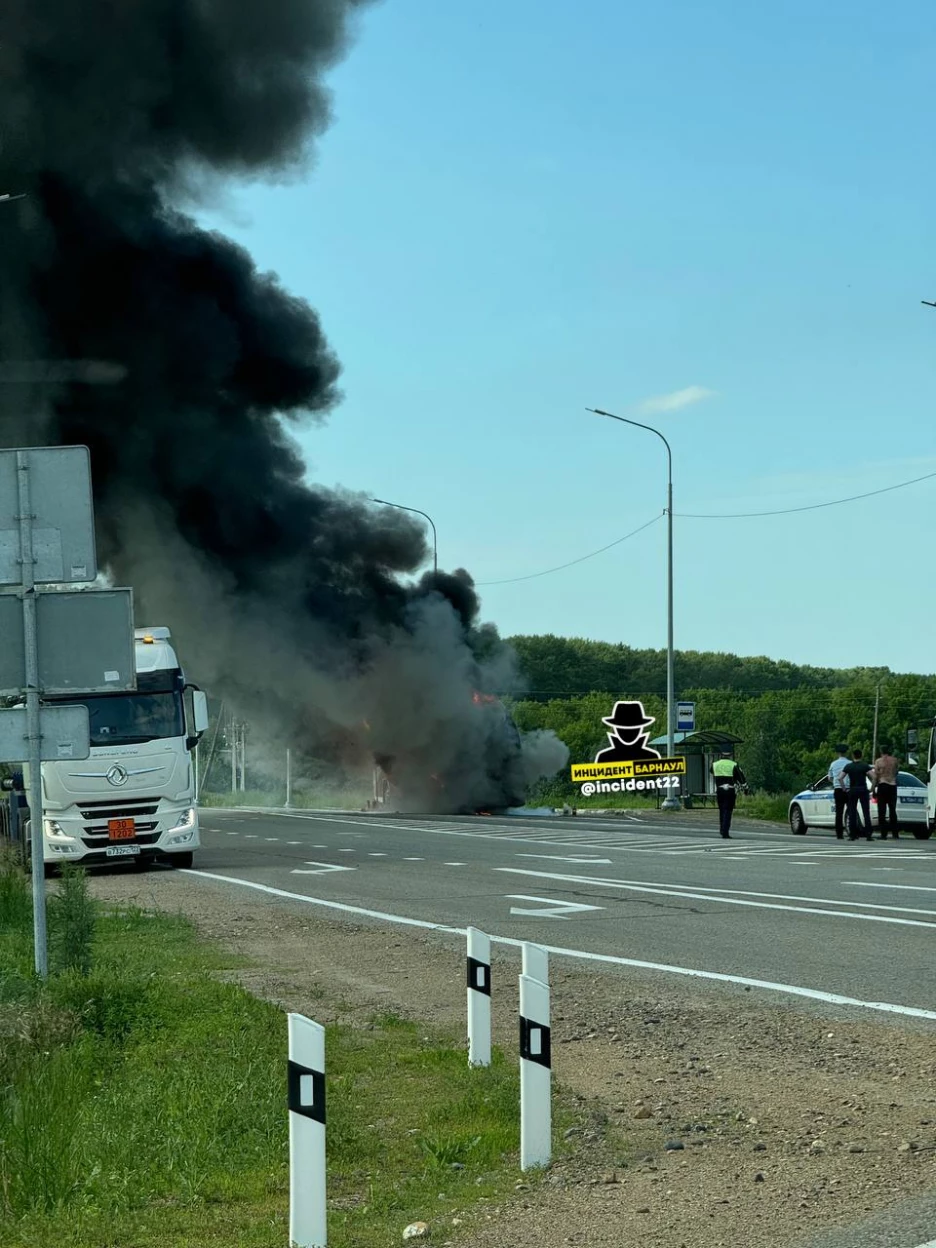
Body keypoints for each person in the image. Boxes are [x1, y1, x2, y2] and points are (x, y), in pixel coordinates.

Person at [711, 749, 748, 839]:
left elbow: (711, 771)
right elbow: (741, 778)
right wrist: (745, 789)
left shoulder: (715, 764)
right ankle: (725, 831)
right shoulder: (734, 765)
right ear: (730, 756)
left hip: (719, 789)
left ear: (721, 755)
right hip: (730, 790)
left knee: (722, 810)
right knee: (728, 810)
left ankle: (721, 829)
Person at [842, 748, 874, 841]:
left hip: (852, 790)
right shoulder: (864, 766)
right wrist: (872, 788)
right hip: (863, 790)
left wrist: (844, 788)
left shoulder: (849, 766)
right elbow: (874, 776)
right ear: (861, 755)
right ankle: (868, 834)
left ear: (853, 756)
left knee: (852, 812)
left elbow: (840, 777)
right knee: (866, 812)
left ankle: (852, 834)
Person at [871, 745, 900, 839]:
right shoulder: (895, 760)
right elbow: (896, 772)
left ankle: (884, 833)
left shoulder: (878, 761)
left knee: (882, 811)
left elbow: (876, 776)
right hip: (892, 785)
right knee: (892, 810)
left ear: (881, 751)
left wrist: (873, 789)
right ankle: (895, 833)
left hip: (883, 785)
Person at [828, 743, 850, 840]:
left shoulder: (833, 764)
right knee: (851, 811)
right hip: (848, 789)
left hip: (838, 789)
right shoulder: (850, 763)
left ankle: (839, 833)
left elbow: (830, 778)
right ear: (846, 752)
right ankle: (852, 831)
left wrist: (835, 782)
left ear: (837, 752)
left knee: (839, 812)